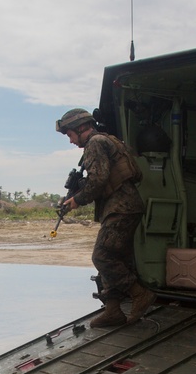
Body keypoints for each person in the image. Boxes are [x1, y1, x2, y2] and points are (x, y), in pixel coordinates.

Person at [56, 108, 156, 328]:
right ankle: (113, 311)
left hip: (122, 208)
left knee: (101, 257)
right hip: (122, 207)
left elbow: (98, 180)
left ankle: (140, 294)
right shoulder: (106, 141)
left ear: (81, 127)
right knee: (114, 259)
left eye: (70, 135)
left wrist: (77, 200)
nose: (71, 141)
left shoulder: (95, 143)